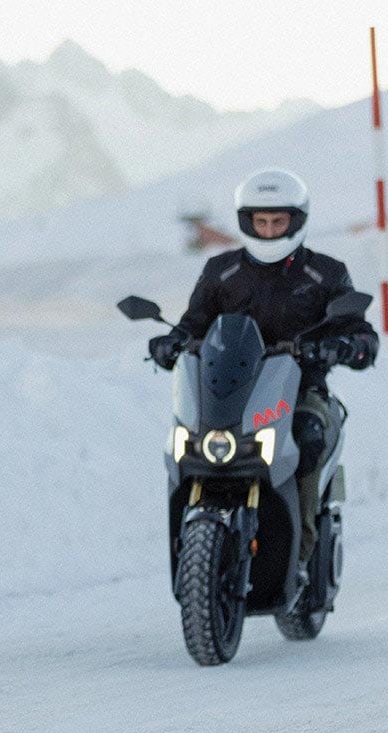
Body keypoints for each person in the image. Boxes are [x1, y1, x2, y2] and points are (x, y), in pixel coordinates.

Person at [148, 168, 376, 581]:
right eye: (261, 221)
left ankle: (302, 555)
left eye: (278, 221)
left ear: (297, 220)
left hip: (301, 391)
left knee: (309, 434)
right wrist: (171, 342)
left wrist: (343, 346)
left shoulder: (325, 273)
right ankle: (190, 546)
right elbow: (193, 324)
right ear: (245, 221)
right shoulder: (221, 271)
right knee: (188, 444)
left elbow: (362, 334)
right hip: (229, 393)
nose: (269, 230)